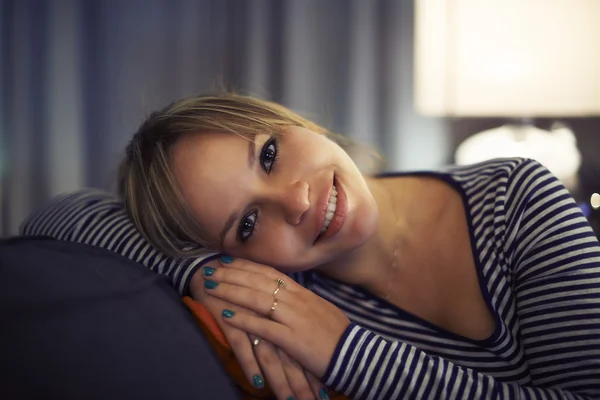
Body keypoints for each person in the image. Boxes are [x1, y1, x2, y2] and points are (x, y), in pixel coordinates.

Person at [22, 94, 600, 400]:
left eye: (269, 154)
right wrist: (202, 269)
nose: (296, 201)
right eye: (247, 224)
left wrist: (345, 350)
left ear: (290, 120)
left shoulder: (517, 198)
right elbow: (57, 214)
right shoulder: (287, 285)